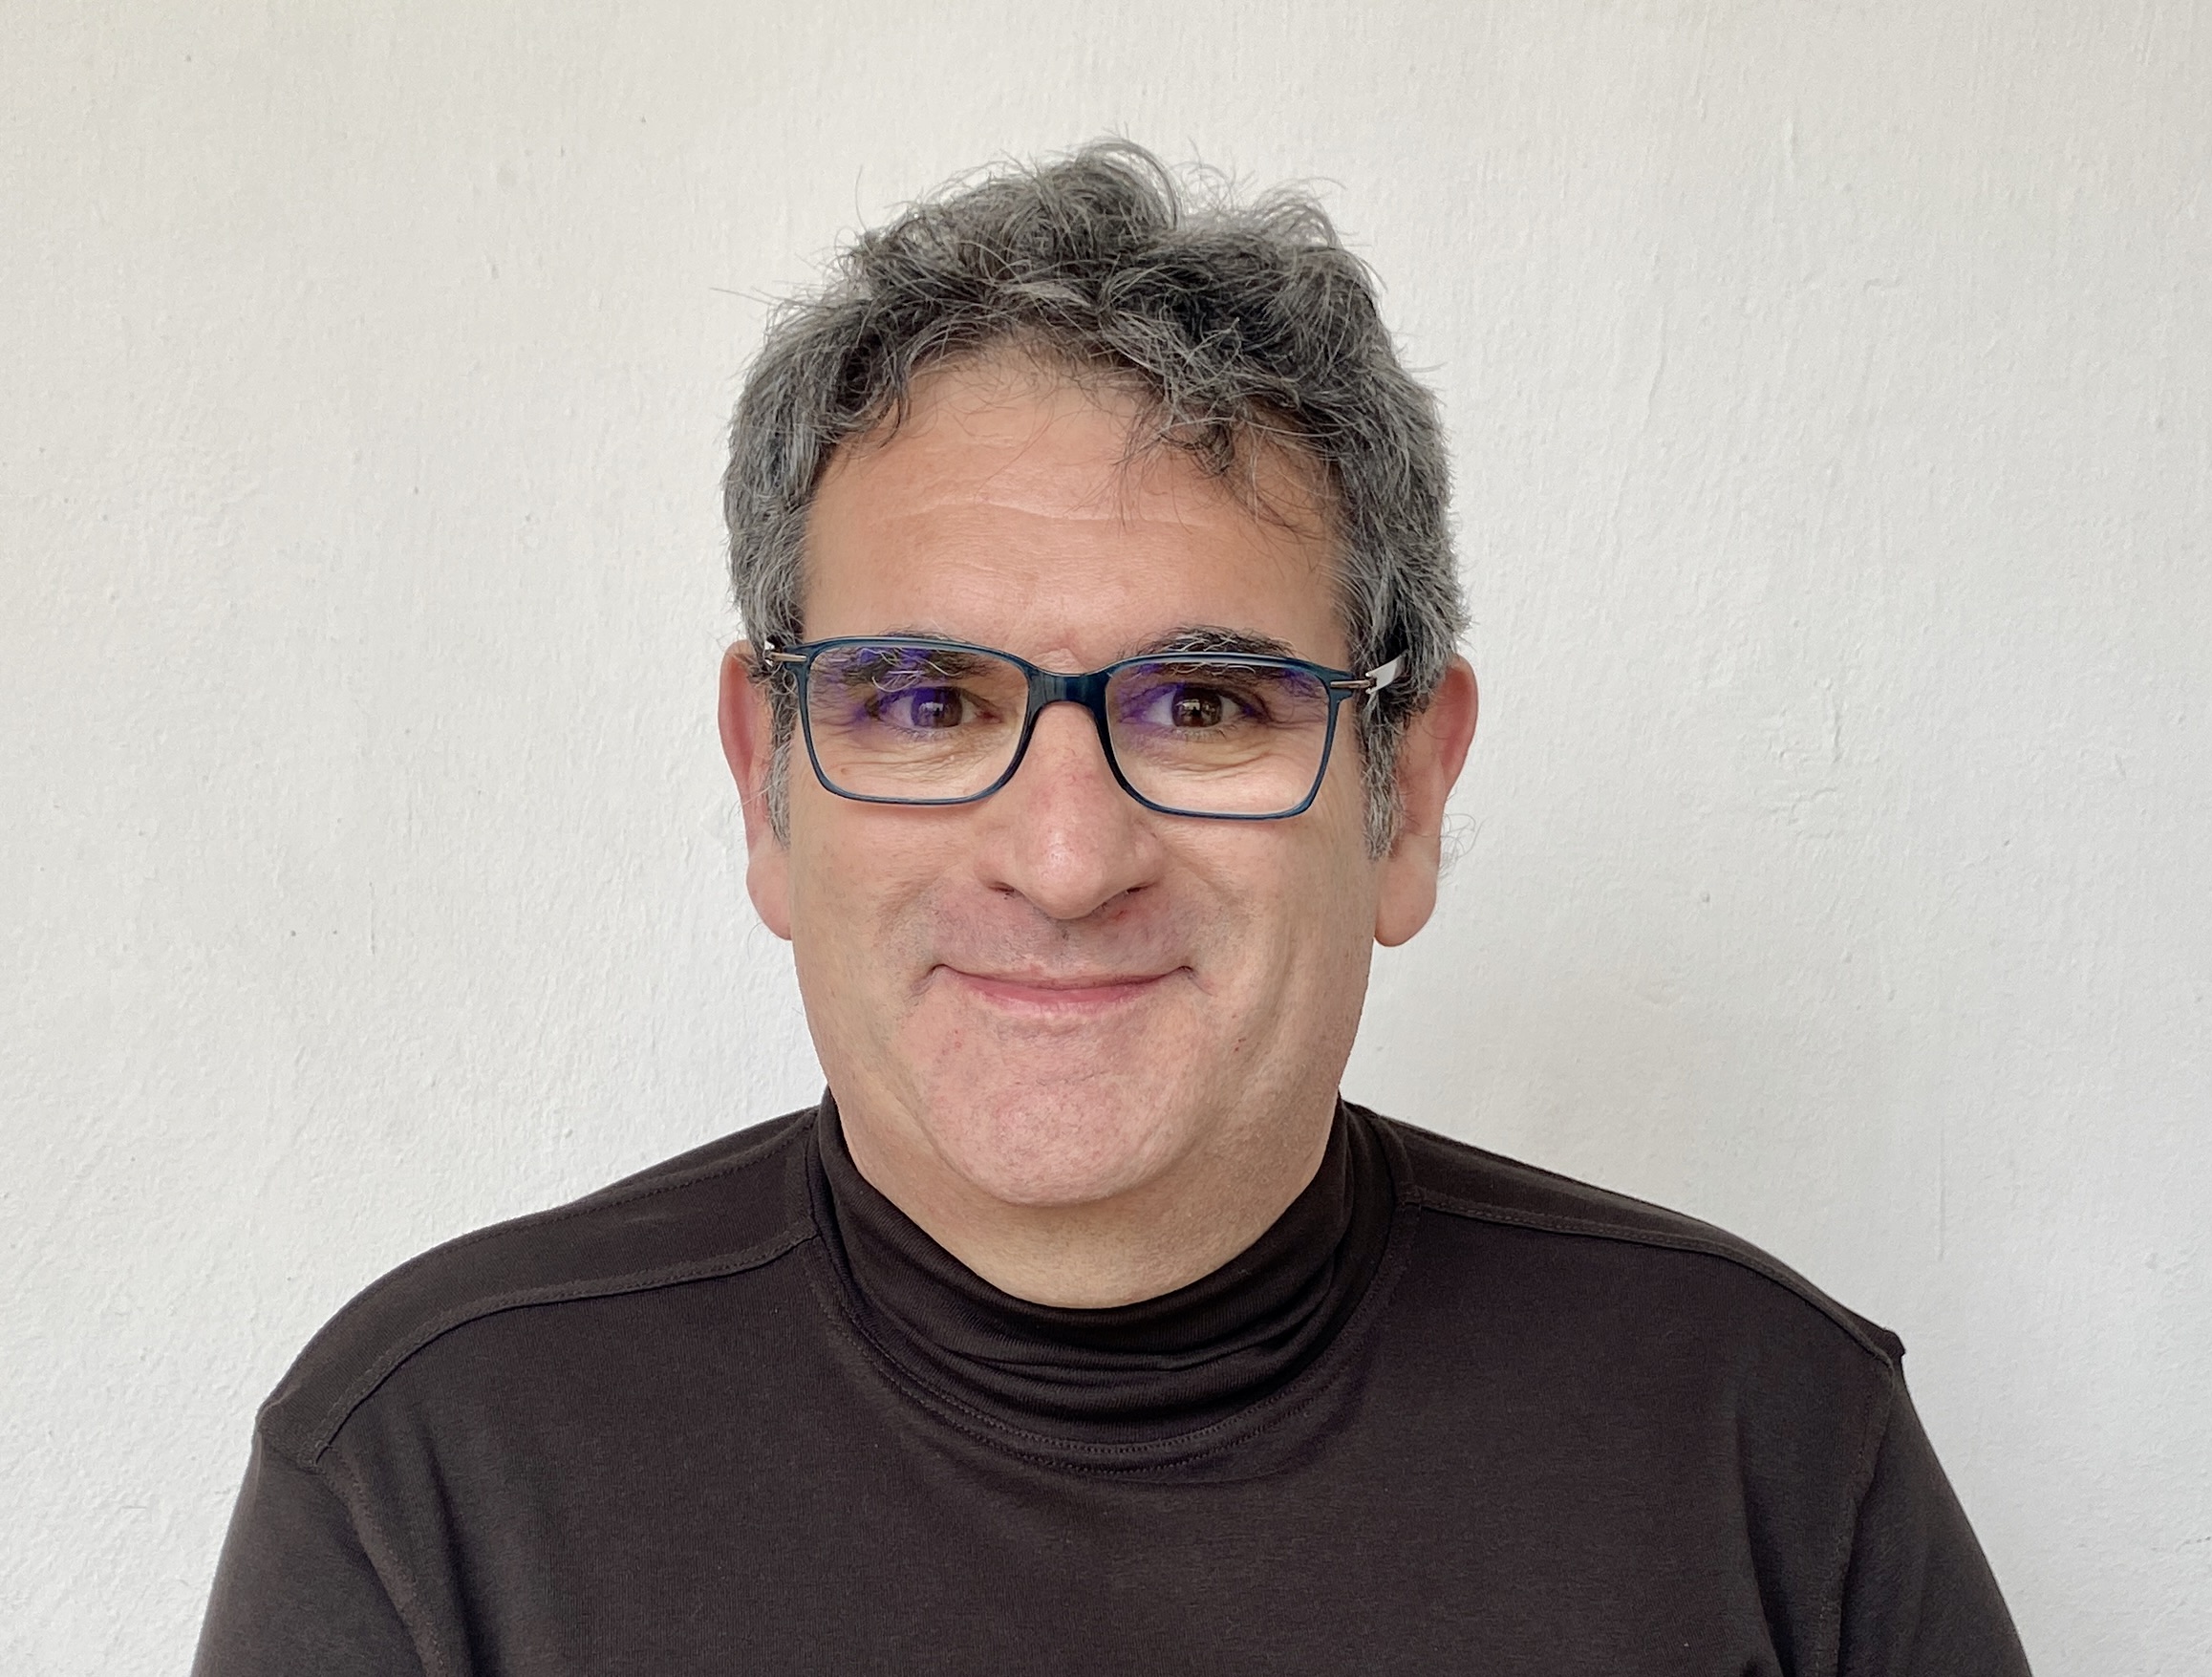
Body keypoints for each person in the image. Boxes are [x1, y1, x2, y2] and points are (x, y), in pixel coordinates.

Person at [194, 142, 2029, 1676]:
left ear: (1407, 795)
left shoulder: (1766, 1449)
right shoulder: (431, 1485)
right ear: (768, 784)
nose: (1067, 862)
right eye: (927, 703)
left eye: (1209, 707)